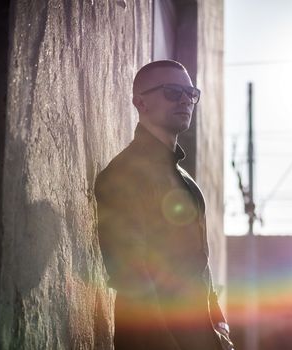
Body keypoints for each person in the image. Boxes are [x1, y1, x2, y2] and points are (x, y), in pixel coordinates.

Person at [94, 60, 233, 350]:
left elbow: (200, 268)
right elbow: (133, 277)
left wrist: (220, 328)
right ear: (140, 102)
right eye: (172, 91)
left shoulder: (187, 183)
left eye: (190, 93)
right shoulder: (124, 174)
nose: (185, 99)